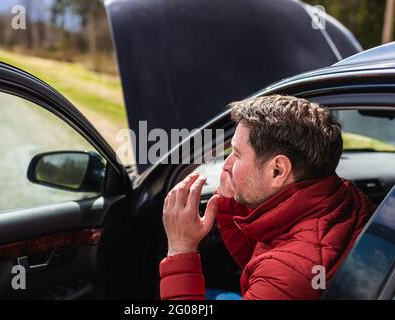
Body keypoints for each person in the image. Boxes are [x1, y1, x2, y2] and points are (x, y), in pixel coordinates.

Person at [159, 95, 374, 300]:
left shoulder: (285, 274)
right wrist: (228, 200)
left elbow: (277, 271)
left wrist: (181, 248)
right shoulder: (342, 194)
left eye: (237, 154)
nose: (226, 165)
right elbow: (258, 259)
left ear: (278, 171)